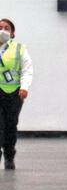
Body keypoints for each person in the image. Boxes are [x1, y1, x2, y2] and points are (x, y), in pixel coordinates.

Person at [0, 18, 33, 170]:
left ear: (12, 33)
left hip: (14, 93)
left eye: (7, 28)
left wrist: (24, 87)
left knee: (10, 125)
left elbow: (27, 69)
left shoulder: (19, 48)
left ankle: (9, 156)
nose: (3, 30)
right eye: (0, 27)